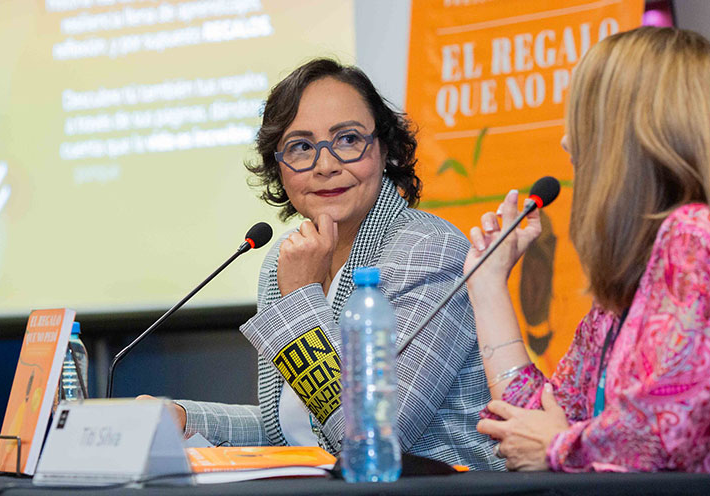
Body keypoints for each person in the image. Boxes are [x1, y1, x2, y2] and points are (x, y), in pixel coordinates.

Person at [465, 27, 710, 495]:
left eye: (585, 118)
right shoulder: (629, 290)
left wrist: (560, 447)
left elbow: (660, 437)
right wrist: (486, 284)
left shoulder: (693, 237)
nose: (566, 142)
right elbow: (534, 421)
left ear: (633, 137)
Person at [162, 58, 499, 470]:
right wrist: (183, 417)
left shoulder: (428, 249)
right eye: (301, 147)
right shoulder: (287, 258)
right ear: (278, 167)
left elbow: (374, 433)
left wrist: (300, 297)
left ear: (385, 149)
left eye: (348, 139)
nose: (325, 165)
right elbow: (295, 431)